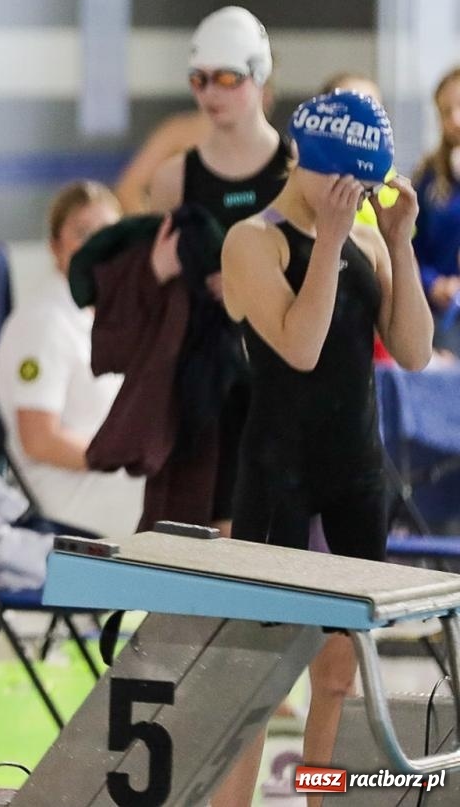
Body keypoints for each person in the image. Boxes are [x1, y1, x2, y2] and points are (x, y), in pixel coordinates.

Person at [215, 90, 431, 807]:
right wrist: (332, 240)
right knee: (259, 677)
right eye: (347, 182)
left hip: (353, 475)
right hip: (279, 478)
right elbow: (301, 349)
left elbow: (414, 349)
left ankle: (320, 804)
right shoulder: (253, 240)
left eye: (365, 187)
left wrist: (395, 239)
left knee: (336, 675)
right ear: (305, 160)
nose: (355, 198)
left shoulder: (368, 236)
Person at [146, 6, 290, 533]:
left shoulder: (296, 172)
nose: (212, 93)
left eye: (227, 79)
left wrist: (254, 283)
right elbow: (152, 290)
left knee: (275, 529)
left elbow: (331, 277)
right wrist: (159, 274)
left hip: (280, 377)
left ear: (258, 76)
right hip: (206, 383)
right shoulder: (173, 178)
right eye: (200, 79)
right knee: (209, 527)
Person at [0, 181, 143, 537]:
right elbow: (39, 440)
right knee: (194, 499)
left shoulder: (96, 316)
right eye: (82, 233)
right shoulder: (44, 322)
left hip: (104, 477)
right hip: (66, 495)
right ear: (55, 248)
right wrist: (123, 457)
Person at [411, 68, 460, 326]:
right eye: (445, 112)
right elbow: (414, 248)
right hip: (443, 317)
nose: (455, 119)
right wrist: (433, 283)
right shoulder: (429, 176)